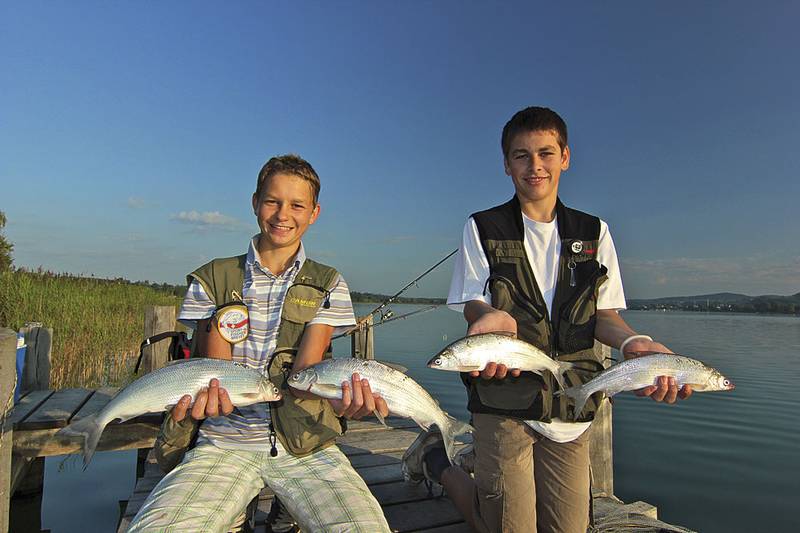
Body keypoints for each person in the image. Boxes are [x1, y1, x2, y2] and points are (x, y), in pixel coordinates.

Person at [402, 106, 693, 533]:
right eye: (521, 155)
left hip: (571, 404)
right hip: (503, 397)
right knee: (507, 526)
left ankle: (453, 463)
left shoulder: (594, 232)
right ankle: (440, 464)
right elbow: (472, 302)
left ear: (565, 157)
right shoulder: (483, 227)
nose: (534, 165)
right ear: (506, 164)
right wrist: (489, 315)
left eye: (545, 153)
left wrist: (633, 344)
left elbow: (604, 315)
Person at [128, 154, 391, 532]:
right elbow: (217, 373)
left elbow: (306, 374)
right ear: (255, 203)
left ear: (314, 213)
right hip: (223, 443)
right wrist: (210, 400)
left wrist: (344, 401)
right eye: (272, 201)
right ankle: (241, 511)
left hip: (306, 445)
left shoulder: (329, 283)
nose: (283, 214)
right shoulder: (212, 278)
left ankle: (274, 513)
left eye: (297, 205)